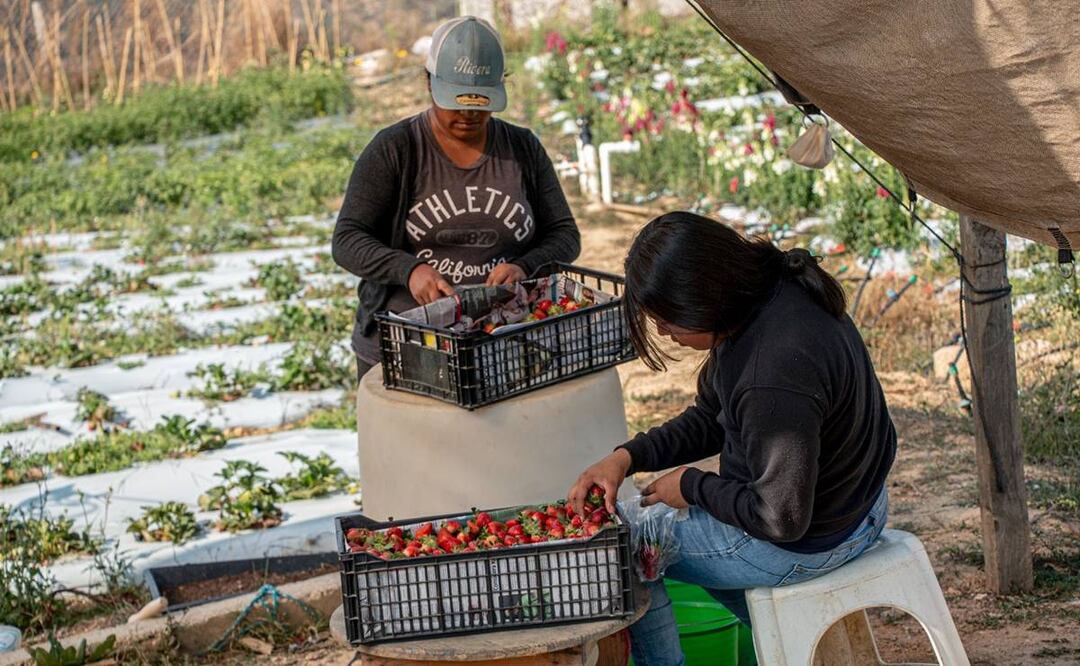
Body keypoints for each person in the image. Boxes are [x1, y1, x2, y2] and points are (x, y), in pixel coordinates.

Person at [567, 212, 896, 666]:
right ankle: (783, 639)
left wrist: (692, 488)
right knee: (641, 531)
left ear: (702, 299)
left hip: (816, 536)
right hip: (857, 501)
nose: (664, 333)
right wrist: (627, 456)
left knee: (623, 550)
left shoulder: (771, 373)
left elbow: (780, 518)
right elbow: (711, 418)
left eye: (668, 322)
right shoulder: (769, 290)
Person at [332, 16, 580, 380]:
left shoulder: (522, 148)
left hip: (503, 340)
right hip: (408, 342)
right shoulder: (396, 149)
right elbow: (347, 240)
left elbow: (564, 235)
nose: (468, 114)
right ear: (429, 82)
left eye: (480, 105)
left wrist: (525, 267)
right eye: (457, 102)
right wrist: (409, 270)